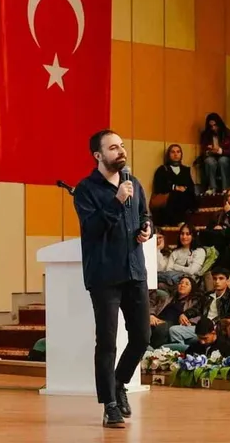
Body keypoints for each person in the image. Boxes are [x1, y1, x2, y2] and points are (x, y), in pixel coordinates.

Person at [72, 130, 151, 428]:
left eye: (122, 146)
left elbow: (145, 216)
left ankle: (119, 383)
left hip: (134, 271)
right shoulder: (86, 189)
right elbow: (92, 229)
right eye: (113, 148)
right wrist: (117, 201)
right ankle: (110, 405)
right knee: (106, 342)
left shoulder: (134, 183)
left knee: (142, 337)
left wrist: (147, 230)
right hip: (105, 275)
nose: (121, 151)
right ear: (98, 155)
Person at [149, 275, 200, 348]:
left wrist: (185, 315)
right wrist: (151, 315)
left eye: (187, 284)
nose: (182, 285)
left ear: (192, 288)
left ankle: (156, 351)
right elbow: (154, 306)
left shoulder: (193, 301)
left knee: (161, 328)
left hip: (174, 324)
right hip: (157, 319)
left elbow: (195, 312)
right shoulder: (168, 298)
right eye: (181, 283)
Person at [150, 144, 195, 226]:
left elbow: (191, 186)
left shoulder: (185, 170)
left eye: (178, 152)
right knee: (176, 195)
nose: (176, 154)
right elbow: (159, 186)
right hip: (168, 199)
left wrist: (184, 189)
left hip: (184, 199)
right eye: (173, 152)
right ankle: (177, 222)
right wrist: (174, 187)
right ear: (168, 154)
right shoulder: (162, 169)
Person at [200, 113, 230, 195]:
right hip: (212, 156)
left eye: (215, 125)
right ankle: (212, 187)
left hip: (225, 156)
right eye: (211, 126)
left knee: (223, 160)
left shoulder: (229, 134)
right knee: (209, 161)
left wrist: (220, 150)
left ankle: (225, 188)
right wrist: (209, 151)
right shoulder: (206, 134)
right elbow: (203, 150)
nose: (213, 128)